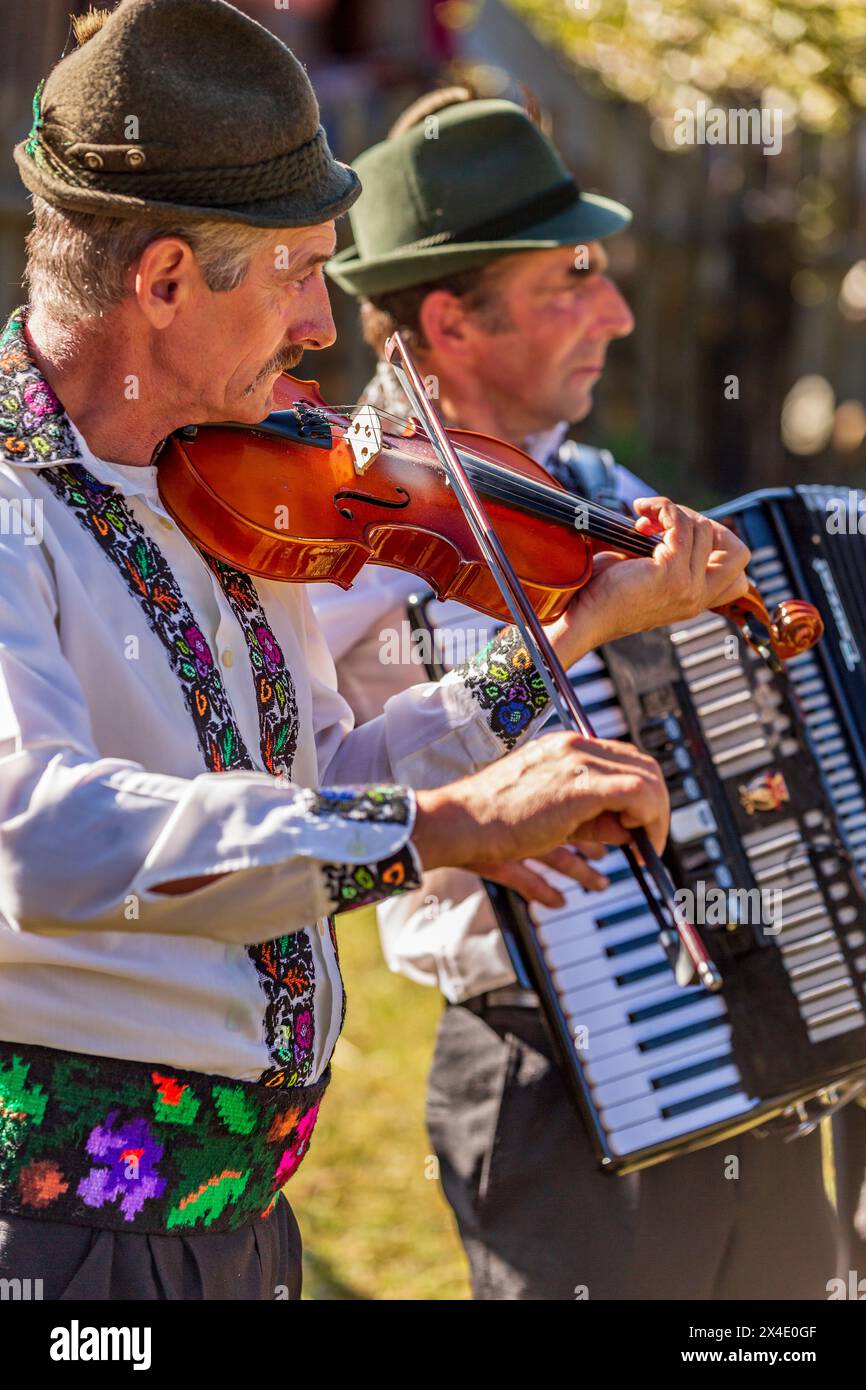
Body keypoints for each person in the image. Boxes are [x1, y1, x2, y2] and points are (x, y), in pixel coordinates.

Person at [0, 0, 750, 1302]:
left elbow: (324, 765)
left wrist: (539, 685)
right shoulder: (15, 504)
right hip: (60, 1244)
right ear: (164, 279)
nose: (322, 326)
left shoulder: (224, 481)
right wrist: (439, 822)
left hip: (241, 1222)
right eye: (297, 271)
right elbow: (41, 832)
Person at [316, 88, 843, 1300]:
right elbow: (293, 799)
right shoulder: (345, 535)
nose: (613, 311)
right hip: (545, 1062)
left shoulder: (604, 489)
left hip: (743, 1027)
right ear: (448, 322)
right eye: (570, 282)